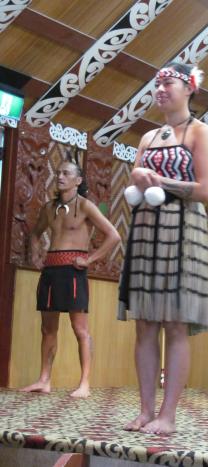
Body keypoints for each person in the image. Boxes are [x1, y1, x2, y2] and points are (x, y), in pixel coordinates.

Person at [118, 62, 208, 434]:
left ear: (189, 87)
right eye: (156, 83)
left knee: (174, 324)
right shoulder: (148, 137)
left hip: (183, 230)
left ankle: (168, 415)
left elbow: (205, 190)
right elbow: (139, 181)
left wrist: (159, 179)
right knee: (144, 323)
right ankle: (145, 410)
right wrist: (139, 178)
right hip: (146, 229)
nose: (160, 89)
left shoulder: (200, 132)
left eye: (169, 82)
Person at [21, 158, 120, 398]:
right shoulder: (48, 208)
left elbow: (113, 236)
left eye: (66, 173)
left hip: (74, 272)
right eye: (58, 173)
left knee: (80, 329)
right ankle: (44, 380)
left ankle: (84, 383)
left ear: (78, 180)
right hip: (51, 271)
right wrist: (35, 253)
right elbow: (35, 234)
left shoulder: (86, 206)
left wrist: (90, 259)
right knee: (48, 329)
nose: (60, 177)